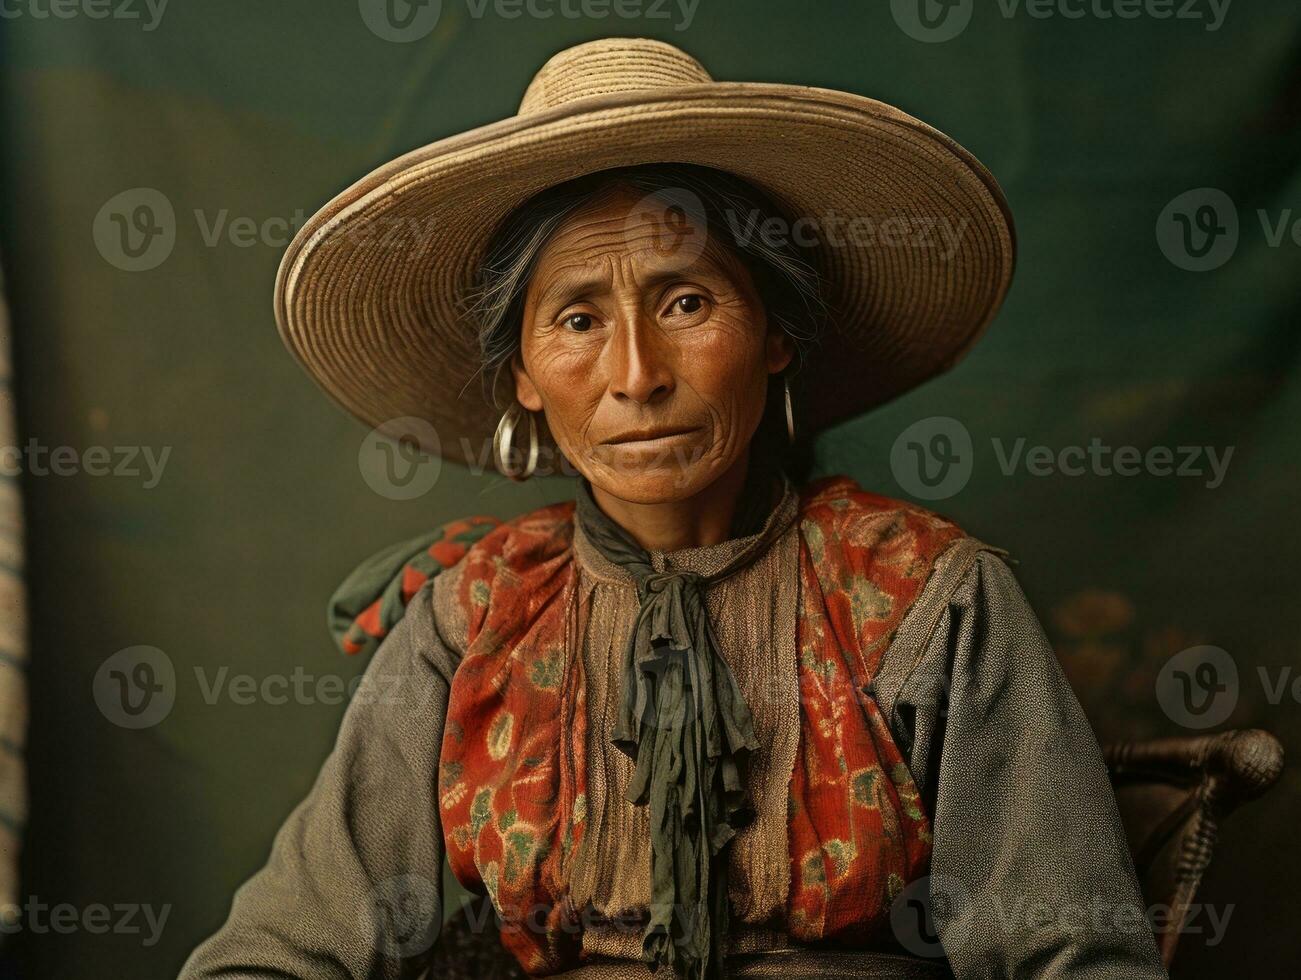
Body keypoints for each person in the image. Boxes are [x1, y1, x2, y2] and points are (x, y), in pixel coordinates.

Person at [180, 37, 1167, 980]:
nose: (636, 374)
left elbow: (1067, 951)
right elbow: (287, 941)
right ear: (522, 375)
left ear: (773, 334)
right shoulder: (474, 619)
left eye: (686, 300)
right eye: (576, 318)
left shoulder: (922, 598)